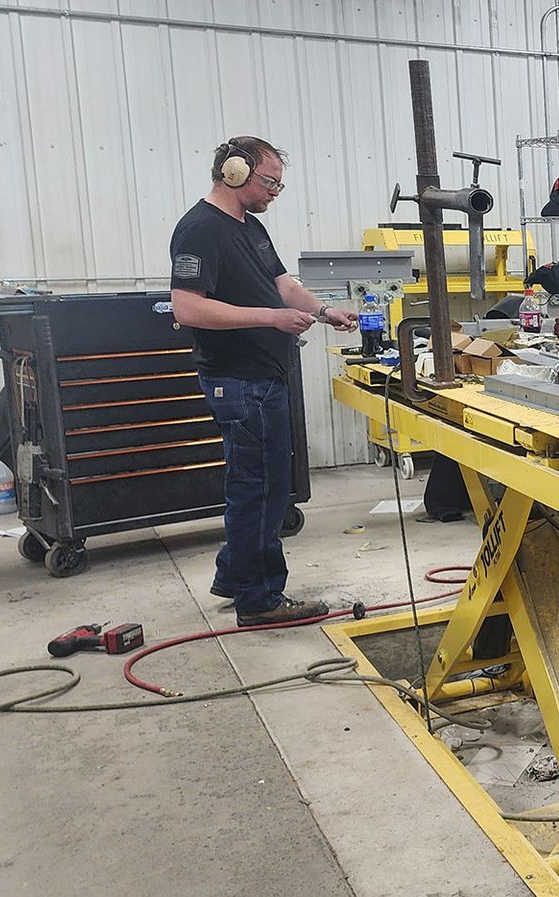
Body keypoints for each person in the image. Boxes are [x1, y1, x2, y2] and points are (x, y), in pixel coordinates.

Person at [170, 136, 357, 626]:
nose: (276, 191)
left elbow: (282, 284)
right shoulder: (200, 230)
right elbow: (187, 307)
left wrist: (322, 310)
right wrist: (271, 320)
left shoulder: (249, 228)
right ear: (233, 173)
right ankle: (260, 600)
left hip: (263, 377)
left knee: (268, 484)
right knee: (260, 488)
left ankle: (235, 576)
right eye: (270, 181)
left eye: (278, 182)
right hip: (239, 382)